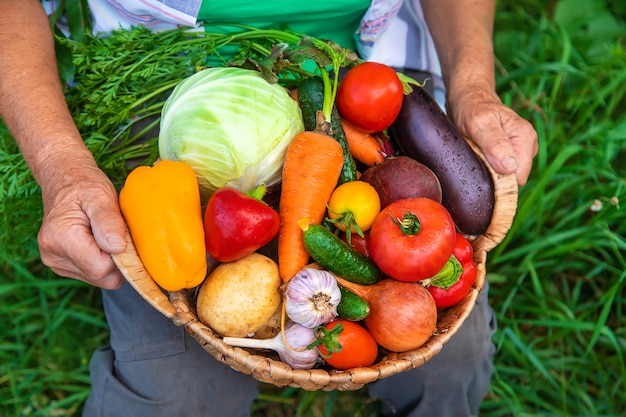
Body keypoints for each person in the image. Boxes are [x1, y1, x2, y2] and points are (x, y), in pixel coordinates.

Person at [0, 0, 538, 416]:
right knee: (179, 397)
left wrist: (473, 89)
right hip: (167, 87)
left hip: (357, 81)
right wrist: (61, 166)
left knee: (451, 370)